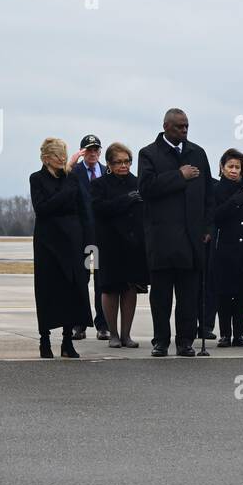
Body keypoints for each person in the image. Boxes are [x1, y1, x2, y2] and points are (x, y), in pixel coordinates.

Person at [137, 108, 213, 357]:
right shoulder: (149, 154)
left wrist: (207, 227)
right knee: (161, 296)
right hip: (162, 238)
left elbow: (208, 195)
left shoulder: (197, 153)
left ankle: (185, 340)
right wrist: (179, 176)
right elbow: (146, 188)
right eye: (180, 126)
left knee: (188, 295)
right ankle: (161, 340)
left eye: (187, 126)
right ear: (166, 126)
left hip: (191, 238)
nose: (184, 130)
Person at [30, 138, 92, 358]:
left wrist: (89, 244)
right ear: (46, 158)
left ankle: (67, 340)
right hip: (48, 242)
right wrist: (66, 192)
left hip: (72, 240)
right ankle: (44, 339)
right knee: (47, 289)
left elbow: (84, 211)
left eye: (64, 154)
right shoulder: (37, 179)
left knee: (71, 289)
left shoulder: (72, 178)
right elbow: (43, 208)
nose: (62, 159)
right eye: (57, 155)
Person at [91, 142, 148, 348]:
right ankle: (112, 333)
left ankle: (126, 334)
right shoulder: (99, 185)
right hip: (109, 243)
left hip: (133, 244)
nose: (123, 165)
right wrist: (126, 200)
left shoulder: (138, 182)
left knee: (130, 288)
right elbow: (99, 209)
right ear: (108, 163)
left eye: (127, 161)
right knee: (110, 289)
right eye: (118, 162)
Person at [210, 148, 243, 348]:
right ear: (222, 168)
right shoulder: (216, 189)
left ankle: (239, 334)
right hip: (224, 248)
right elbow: (214, 216)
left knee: (241, 294)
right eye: (230, 166)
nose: (234, 170)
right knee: (224, 293)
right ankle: (225, 333)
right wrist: (232, 202)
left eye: (237, 167)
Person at [71, 134, 111, 341]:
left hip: (102, 237)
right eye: (89, 150)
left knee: (101, 281)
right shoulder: (75, 172)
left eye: (96, 149)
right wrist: (71, 164)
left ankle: (102, 324)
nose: (93, 153)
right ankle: (80, 324)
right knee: (83, 278)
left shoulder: (107, 171)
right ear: (82, 152)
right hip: (84, 238)